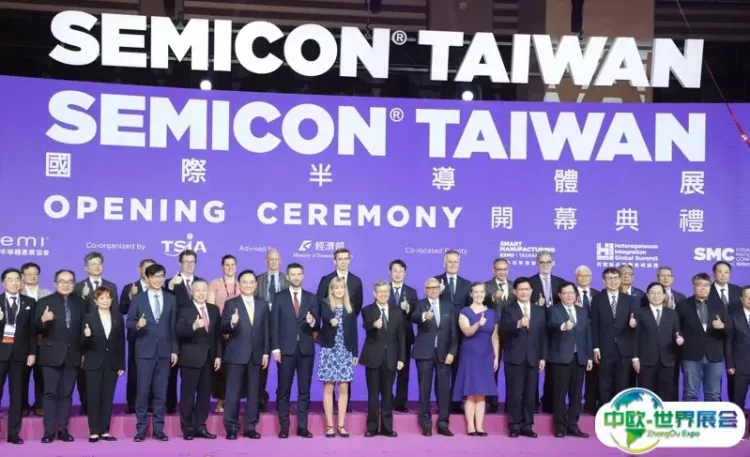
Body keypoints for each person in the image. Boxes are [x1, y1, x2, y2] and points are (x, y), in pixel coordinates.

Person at [127, 263, 179, 442]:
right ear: (147, 278)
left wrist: (174, 349)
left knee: (160, 392)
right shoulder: (138, 299)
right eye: (154, 276)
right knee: (142, 392)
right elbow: (129, 322)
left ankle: (159, 430)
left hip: (164, 352)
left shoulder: (171, 299)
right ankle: (141, 430)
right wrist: (137, 324)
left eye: (161, 276)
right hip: (144, 352)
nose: (158, 280)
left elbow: (173, 327)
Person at [36, 269, 87, 443]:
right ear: (55, 283)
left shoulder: (81, 303)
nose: (66, 284)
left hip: (73, 355)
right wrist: (43, 320)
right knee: (50, 394)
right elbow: (34, 328)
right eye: (62, 281)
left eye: (70, 281)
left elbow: (83, 329)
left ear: (74, 284)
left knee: (66, 395)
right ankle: (49, 432)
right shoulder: (44, 302)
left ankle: (63, 430)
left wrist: (84, 350)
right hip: (51, 355)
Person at [271, 262, 318, 439]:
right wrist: (275, 348)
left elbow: (317, 324)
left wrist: (312, 322)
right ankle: (284, 427)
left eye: (299, 274)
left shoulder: (311, 298)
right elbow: (274, 324)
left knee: (304, 390)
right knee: (283, 390)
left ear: (303, 275)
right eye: (293, 274)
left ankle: (302, 427)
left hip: (306, 350)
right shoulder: (279, 297)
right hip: (285, 350)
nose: (296, 277)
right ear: (287, 276)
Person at [222, 270, 270, 439]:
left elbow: (266, 330)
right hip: (235, 355)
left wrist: (266, 353)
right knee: (232, 393)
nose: (248, 285)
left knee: (254, 393)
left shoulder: (263, 304)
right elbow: (223, 328)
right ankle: (231, 428)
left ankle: (250, 427)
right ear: (239, 284)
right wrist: (231, 323)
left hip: (256, 355)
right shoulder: (231, 303)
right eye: (244, 282)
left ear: (256, 285)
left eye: (251, 282)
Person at [501, 277, 547, 438]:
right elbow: (504, 329)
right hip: (514, 357)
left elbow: (543, 336)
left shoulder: (539, 310)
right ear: (515, 291)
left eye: (527, 289)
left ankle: (527, 425)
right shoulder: (508, 309)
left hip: (533, 358)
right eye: (521, 289)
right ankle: (514, 425)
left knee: (530, 394)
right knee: (514, 394)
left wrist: (543, 357)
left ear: (531, 291)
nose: (524, 292)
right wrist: (518, 324)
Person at [176, 279, 222, 440]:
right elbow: (178, 331)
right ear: (192, 292)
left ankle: (200, 426)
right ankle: (187, 428)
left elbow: (217, 336)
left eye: (204, 290)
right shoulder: (183, 308)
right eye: (198, 290)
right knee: (188, 395)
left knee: (204, 396)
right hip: (190, 359)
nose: (201, 293)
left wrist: (218, 355)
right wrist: (193, 327)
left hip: (209, 360)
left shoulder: (214, 309)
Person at [452, 282, 499, 436]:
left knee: (482, 393)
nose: (479, 295)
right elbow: (467, 332)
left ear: (485, 294)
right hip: (470, 355)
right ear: (471, 294)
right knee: (471, 392)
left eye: (481, 292)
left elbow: (495, 336)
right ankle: (470, 426)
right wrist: (478, 324)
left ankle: (480, 426)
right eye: (476, 292)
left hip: (486, 355)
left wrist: (496, 357)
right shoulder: (465, 312)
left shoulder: (492, 313)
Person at [412, 277, 457, 436]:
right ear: (425, 290)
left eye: (436, 287)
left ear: (440, 289)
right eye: (430, 288)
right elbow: (413, 317)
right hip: (424, 353)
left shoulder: (448, 306)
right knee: (424, 389)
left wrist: (452, 352)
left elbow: (453, 332)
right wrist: (424, 316)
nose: (433, 290)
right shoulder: (420, 304)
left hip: (444, 355)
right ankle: (425, 423)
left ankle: (443, 423)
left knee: (444, 390)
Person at [359, 281, 405, 437]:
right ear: (374, 293)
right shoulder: (367, 310)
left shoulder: (397, 312)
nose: (383, 294)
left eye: (386, 291)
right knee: (373, 394)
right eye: (380, 291)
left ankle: (387, 428)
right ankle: (372, 427)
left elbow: (401, 336)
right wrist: (374, 325)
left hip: (391, 357)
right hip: (373, 357)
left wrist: (401, 358)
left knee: (387, 394)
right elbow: (366, 325)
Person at [547, 282, 592, 438]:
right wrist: (562, 326)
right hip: (561, 358)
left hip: (579, 358)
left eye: (571, 292)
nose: (569, 295)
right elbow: (550, 325)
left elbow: (587, 335)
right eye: (565, 293)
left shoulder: (582, 311)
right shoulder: (553, 310)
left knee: (577, 394)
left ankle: (573, 425)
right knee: (560, 394)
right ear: (560, 295)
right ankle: (560, 426)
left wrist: (589, 357)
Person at [81, 287, 126, 442]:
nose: (105, 301)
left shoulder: (118, 317)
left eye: (108, 297)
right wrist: (86, 336)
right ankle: (94, 431)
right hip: (93, 362)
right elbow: (81, 343)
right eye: (101, 298)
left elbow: (120, 342)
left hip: (112, 362)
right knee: (93, 396)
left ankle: (105, 430)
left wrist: (121, 364)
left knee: (108, 397)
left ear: (112, 299)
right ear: (95, 301)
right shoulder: (88, 317)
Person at [0, 267, 38, 445]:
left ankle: (13, 433)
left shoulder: (29, 302)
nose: (15, 282)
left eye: (17, 279)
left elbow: (32, 331)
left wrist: (32, 352)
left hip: (20, 355)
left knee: (17, 395)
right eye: (10, 279)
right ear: (3, 283)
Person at [317, 277, 358, 437]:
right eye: (336, 288)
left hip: (345, 351)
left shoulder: (350, 307)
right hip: (330, 350)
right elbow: (324, 317)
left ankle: (341, 425)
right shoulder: (325, 304)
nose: (339, 290)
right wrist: (330, 320)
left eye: (342, 288)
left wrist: (355, 353)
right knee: (328, 387)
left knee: (343, 387)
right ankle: (329, 426)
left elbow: (353, 331)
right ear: (332, 290)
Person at [632, 282, 682, 402]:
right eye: (653, 293)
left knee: (666, 395)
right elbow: (635, 337)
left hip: (667, 361)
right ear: (648, 295)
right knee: (646, 396)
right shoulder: (640, 313)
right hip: (646, 361)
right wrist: (635, 358)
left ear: (664, 295)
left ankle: (664, 414)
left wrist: (680, 340)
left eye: (659, 293)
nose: (656, 296)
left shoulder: (672, 313)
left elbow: (677, 333)